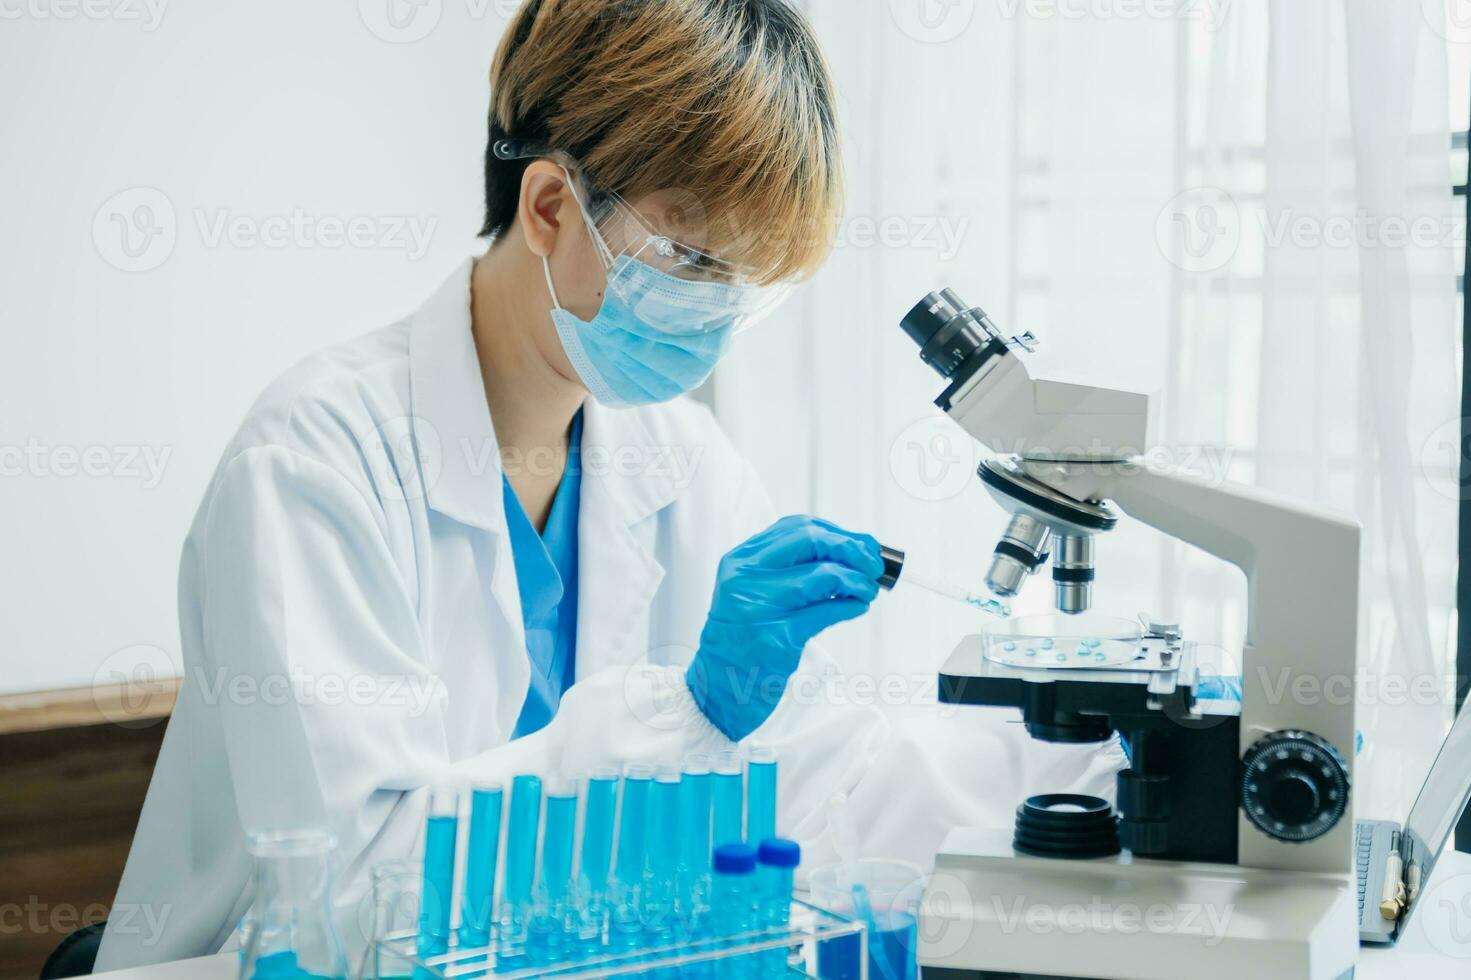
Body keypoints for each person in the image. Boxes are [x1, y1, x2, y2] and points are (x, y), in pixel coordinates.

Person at [96, 0, 1123, 969]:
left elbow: (824, 788)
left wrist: (1095, 762)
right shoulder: (314, 462)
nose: (714, 317)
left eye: (743, 286)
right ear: (548, 206)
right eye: (689, 262)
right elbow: (357, 900)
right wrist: (686, 710)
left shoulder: (686, 468)